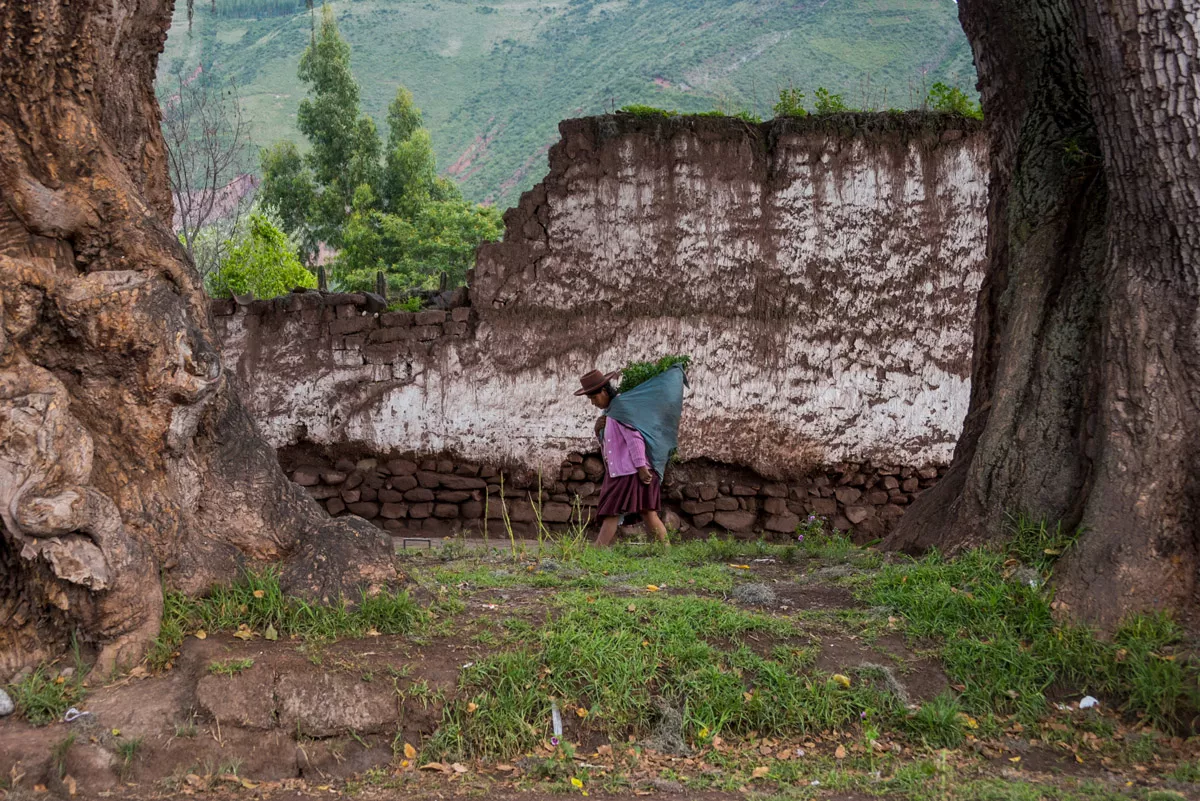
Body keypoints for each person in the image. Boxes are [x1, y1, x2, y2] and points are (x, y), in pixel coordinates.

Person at [575, 369, 670, 547]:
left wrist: (642, 468)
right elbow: (612, 444)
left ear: (603, 391)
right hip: (621, 471)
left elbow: (635, 439)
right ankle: (667, 551)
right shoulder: (609, 412)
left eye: (594, 398)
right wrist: (598, 431)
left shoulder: (621, 409)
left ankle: (596, 551)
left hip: (630, 471)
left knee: (614, 511)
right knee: (646, 512)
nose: (593, 403)